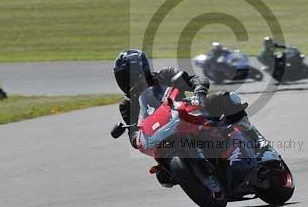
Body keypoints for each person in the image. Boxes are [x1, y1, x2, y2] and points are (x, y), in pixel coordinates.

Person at [113, 49, 270, 180]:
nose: (128, 81)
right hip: (162, 134)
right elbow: (133, 135)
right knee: (163, 174)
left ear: (143, 70)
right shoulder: (127, 105)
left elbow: (195, 80)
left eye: (130, 75)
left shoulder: (165, 75)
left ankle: (258, 144)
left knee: (227, 98)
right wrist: (138, 138)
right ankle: (194, 172)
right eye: (123, 77)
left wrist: (199, 92)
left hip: (189, 113)